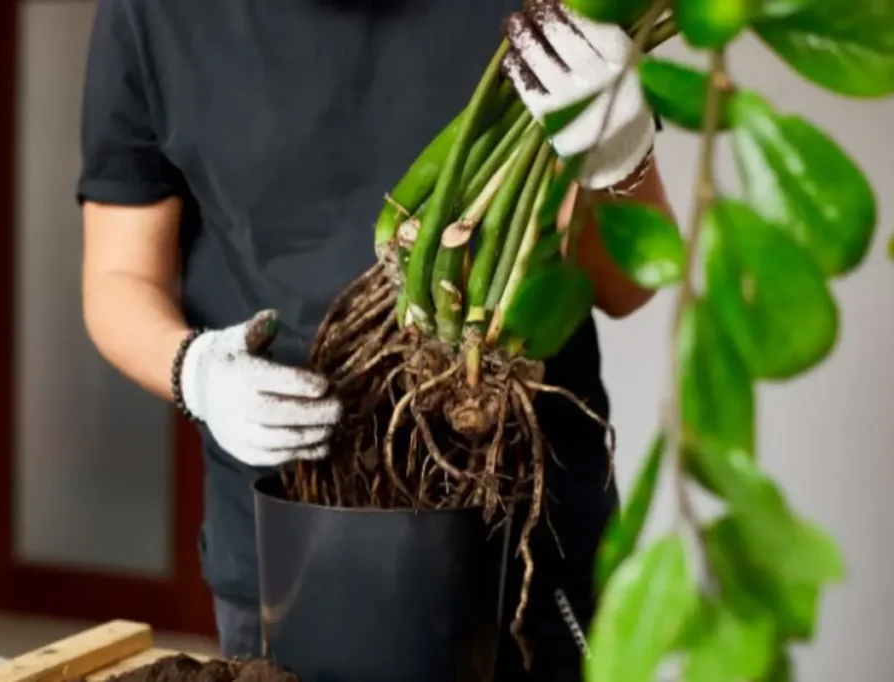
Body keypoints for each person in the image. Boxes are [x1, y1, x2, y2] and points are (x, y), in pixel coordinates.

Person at [79, 0, 673, 679]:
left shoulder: (550, 7)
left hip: (532, 544)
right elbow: (119, 277)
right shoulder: (151, 16)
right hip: (289, 552)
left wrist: (621, 164)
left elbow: (626, 287)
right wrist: (196, 373)